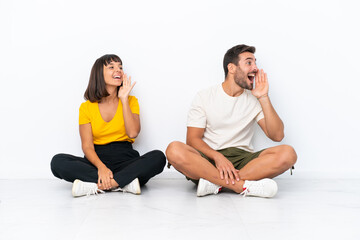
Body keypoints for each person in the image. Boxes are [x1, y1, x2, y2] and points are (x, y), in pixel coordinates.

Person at [166, 44, 297, 198]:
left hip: (244, 160)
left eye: (255, 63)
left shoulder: (255, 99)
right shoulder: (205, 96)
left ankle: (214, 182)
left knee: (288, 154)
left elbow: (277, 135)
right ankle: (241, 186)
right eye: (249, 62)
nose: (255, 68)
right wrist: (218, 157)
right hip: (209, 161)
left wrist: (263, 97)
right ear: (232, 68)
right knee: (174, 149)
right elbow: (192, 139)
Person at [51, 54, 166, 197]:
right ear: (99, 74)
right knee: (58, 161)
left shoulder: (131, 101)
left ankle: (99, 184)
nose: (118, 70)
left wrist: (123, 99)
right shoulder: (86, 107)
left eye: (120, 67)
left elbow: (133, 133)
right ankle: (123, 182)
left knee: (158, 157)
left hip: (126, 160)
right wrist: (101, 168)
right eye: (111, 67)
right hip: (96, 162)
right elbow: (87, 146)